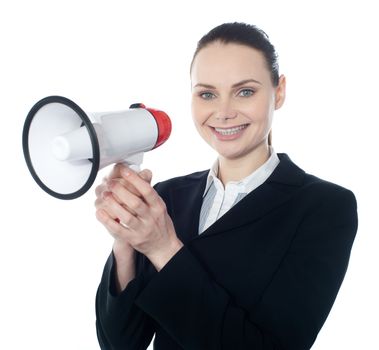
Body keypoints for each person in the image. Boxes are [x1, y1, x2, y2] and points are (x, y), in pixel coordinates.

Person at [94, 22, 358, 350]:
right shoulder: (166, 198)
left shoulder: (324, 207)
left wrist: (162, 248)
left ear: (279, 92)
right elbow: (120, 343)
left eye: (245, 91)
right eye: (207, 94)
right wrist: (125, 243)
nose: (224, 112)